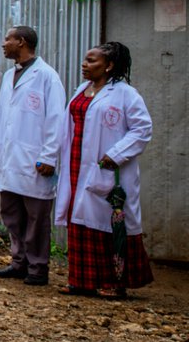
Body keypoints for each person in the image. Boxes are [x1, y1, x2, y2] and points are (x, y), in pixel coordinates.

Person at [55, 42, 154, 298]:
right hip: (77, 166)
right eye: (85, 60)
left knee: (111, 223)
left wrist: (116, 154)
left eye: (91, 61)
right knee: (79, 220)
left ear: (108, 66)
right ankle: (81, 281)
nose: (84, 65)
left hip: (106, 167)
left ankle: (115, 282)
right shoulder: (82, 90)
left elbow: (142, 129)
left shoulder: (126, 94)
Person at [0, 26, 66, 287]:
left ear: (21, 42)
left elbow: (56, 120)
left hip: (35, 159)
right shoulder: (10, 75)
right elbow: (1, 118)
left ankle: (38, 267)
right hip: (10, 158)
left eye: (8, 39)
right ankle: (18, 260)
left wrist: (49, 156)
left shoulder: (47, 77)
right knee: (11, 212)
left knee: (36, 217)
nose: (3, 44)